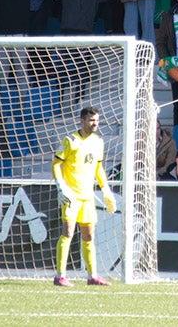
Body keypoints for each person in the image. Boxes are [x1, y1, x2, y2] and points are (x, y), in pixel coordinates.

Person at [52, 106, 115, 287]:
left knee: (89, 236)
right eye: (91, 120)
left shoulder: (98, 142)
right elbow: (56, 164)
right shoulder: (70, 141)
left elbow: (98, 168)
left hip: (87, 196)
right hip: (71, 195)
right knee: (68, 232)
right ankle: (60, 276)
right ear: (82, 120)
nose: (95, 123)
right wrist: (61, 187)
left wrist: (106, 191)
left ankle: (92, 276)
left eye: (96, 120)